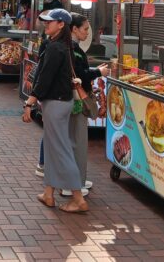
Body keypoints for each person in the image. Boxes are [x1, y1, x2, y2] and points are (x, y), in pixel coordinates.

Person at [21, 8, 87, 213]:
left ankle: (78, 198)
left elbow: (44, 79)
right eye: (46, 21)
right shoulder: (61, 46)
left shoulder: (56, 48)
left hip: (56, 104)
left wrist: (29, 104)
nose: (46, 24)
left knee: (61, 150)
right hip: (59, 102)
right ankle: (48, 193)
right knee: (52, 147)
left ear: (61, 25)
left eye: (51, 22)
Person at [61, 13, 110, 196]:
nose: (87, 33)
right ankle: (73, 185)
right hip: (76, 101)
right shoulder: (72, 49)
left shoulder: (67, 47)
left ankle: (77, 180)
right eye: (85, 29)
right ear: (74, 29)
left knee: (75, 141)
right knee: (78, 142)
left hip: (70, 100)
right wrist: (98, 72)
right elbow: (80, 75)